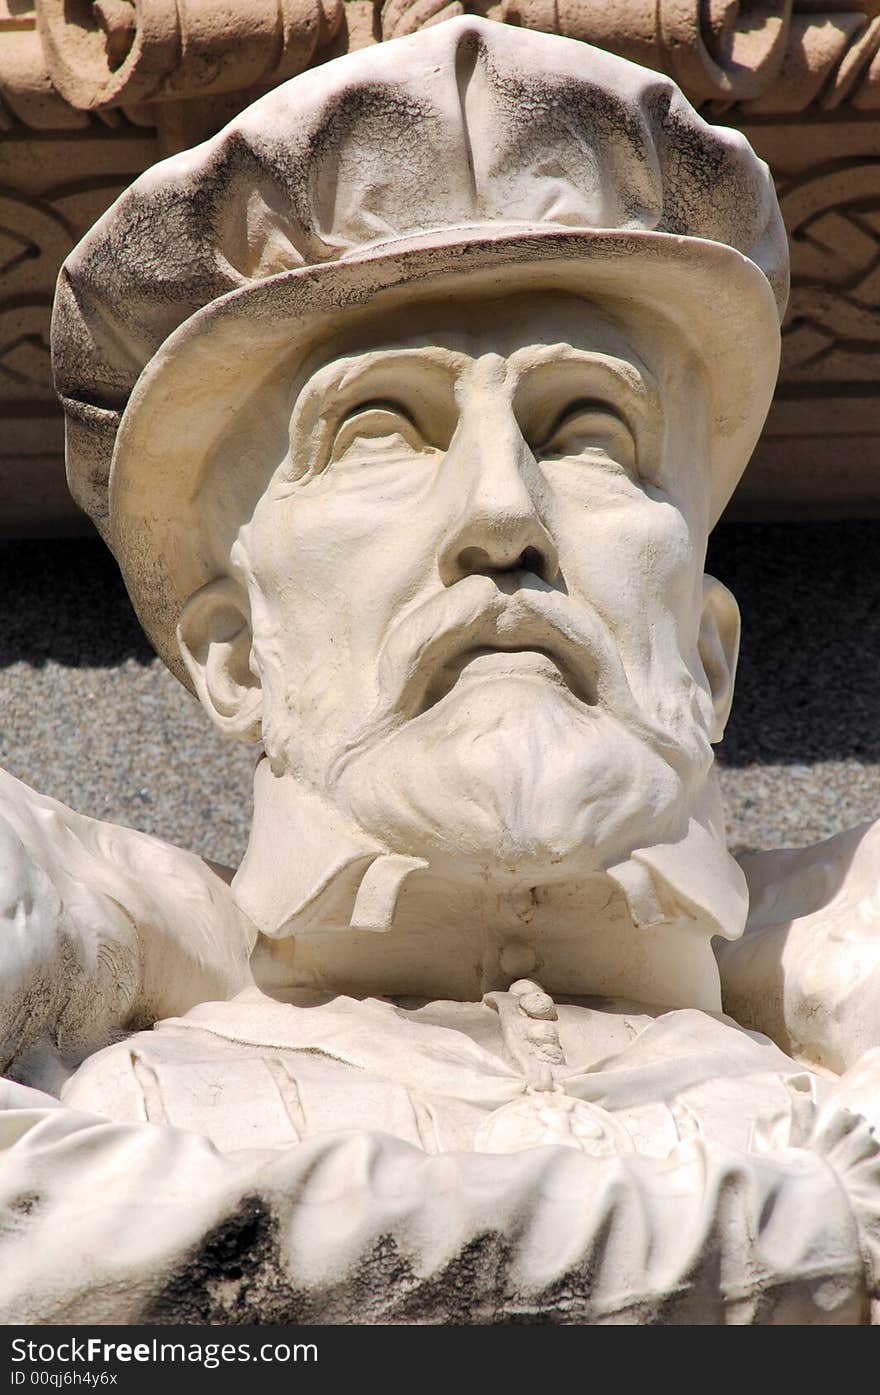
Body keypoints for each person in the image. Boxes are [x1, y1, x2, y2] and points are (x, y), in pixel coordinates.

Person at [2, 16, 880, 1323]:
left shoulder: (839, 1073)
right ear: (236, 661)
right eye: (374, 431)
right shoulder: (106, 1084)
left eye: (590, 431)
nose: (500, 515)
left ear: (708, 656)